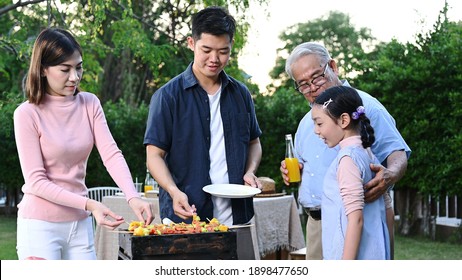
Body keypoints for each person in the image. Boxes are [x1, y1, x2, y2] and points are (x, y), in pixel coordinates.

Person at [13, 27, 154, 260]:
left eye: (78, 67)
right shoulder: (26, 114)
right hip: (39, 227)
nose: (74, 77)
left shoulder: (90, 103)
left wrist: (132, 196)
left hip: (79, 225)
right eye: (65, 69)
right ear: (43, 70)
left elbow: (111, 154)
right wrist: (90, 204)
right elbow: (36, 182)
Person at [144, 6, 262, 259]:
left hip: (237, 216)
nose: (215, 59)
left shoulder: (240, 94)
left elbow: (254, 142)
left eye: (223, 52)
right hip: (187, 217)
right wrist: (174, 192)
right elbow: (154, 155)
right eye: (206, 50)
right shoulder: (167, 96)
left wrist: (250, 171)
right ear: (191, 43)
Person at [280, 42, 410, 259]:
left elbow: (397, 152)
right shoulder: (307, 122)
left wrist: (391, 174)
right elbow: (308, 165)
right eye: (302, 84)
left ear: (333, 66)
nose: (312, 88)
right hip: (316, 225)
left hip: (351, 222)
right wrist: (295, 170)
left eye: (317, 77)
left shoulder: (367, 107)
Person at [312, 85, 390, 259]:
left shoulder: (347, 160)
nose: (316, 130)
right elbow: (388, 211)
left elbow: (356, 220)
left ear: (344, 120)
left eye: (319, 123)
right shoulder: (369, 155)